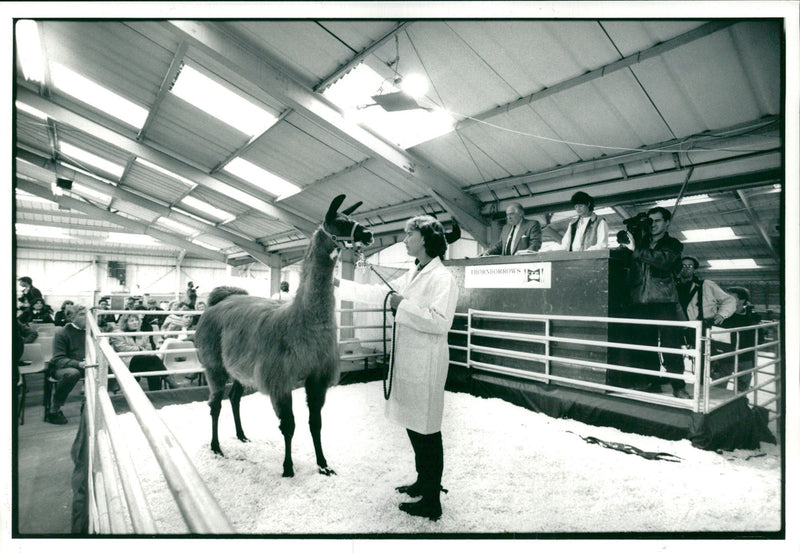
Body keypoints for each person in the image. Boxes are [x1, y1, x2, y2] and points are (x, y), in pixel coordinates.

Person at [335, 215, 459, 521]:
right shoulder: (415, 272)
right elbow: (383, 294)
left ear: (424, 239)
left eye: (408, 234)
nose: (404, 239)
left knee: (428, 430)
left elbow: (440, 322)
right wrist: (340, 285)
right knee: (415, 425)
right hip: (408, 362)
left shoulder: (443, 278)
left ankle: (432, 500)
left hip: (426, 363)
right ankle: (422, 481)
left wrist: (401, 306)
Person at [615, 207, 690, 399]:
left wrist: (636, 250)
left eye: (657, 221)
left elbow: (663, 261)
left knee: (670, 345)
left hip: (664, 301)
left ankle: (678, 386)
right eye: (650, 221)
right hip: (639, 301)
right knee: (644, 343)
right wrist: (626, 244)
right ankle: (650, 380)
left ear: (666, 223)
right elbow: (625, 261)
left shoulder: (673, 244)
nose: (653, 225)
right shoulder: (640, 242)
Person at [110, 313, 180, 391]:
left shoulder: (142, 334)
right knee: (153, 360)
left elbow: (149, 348)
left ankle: (156, 392)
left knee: (152, 366)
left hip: (143, 361)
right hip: (127, 362)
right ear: (125, 323)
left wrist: (142, 350)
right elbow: (123, 349)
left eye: (137, 320)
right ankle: (170, 382)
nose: (135, 322)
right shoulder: (116, 334)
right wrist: (140, 349)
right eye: (131, 321)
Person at [47, 304, 89, 424]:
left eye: (88, 314)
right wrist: (79, 364)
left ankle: (87, 405)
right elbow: (58, 359)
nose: (87, 317)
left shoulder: (91, 332)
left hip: (85, 365)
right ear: (72, 317)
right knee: (72, 374)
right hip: (63, 368)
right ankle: (54, 409)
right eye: (82, 314)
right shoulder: (62, 332)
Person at [714, 287, 760, 391]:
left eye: (730, 298)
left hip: (745, 357)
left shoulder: (752, 316)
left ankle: (740, 405)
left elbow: (757, 338)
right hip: (725, 358)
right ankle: (718, 407)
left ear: (742, 300)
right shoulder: (722, 315)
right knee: (718, 387)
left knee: (742, 388)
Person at [676, 256, 736, 327]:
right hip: (679, 326)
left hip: (704, 326)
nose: (686, 268)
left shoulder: (707, 285)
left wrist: (721, 315)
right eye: (683, 266)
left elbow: (729, 300)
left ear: (694, 269)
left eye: (690, 266)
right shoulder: (673, 286)